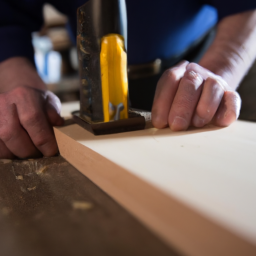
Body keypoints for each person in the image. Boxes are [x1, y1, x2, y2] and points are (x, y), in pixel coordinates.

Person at [0, 0, 256, 159]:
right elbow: (7, 17)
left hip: (208, 59)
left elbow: (246, 7)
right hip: (93, 75)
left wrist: (221, 70)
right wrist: (20, 91)